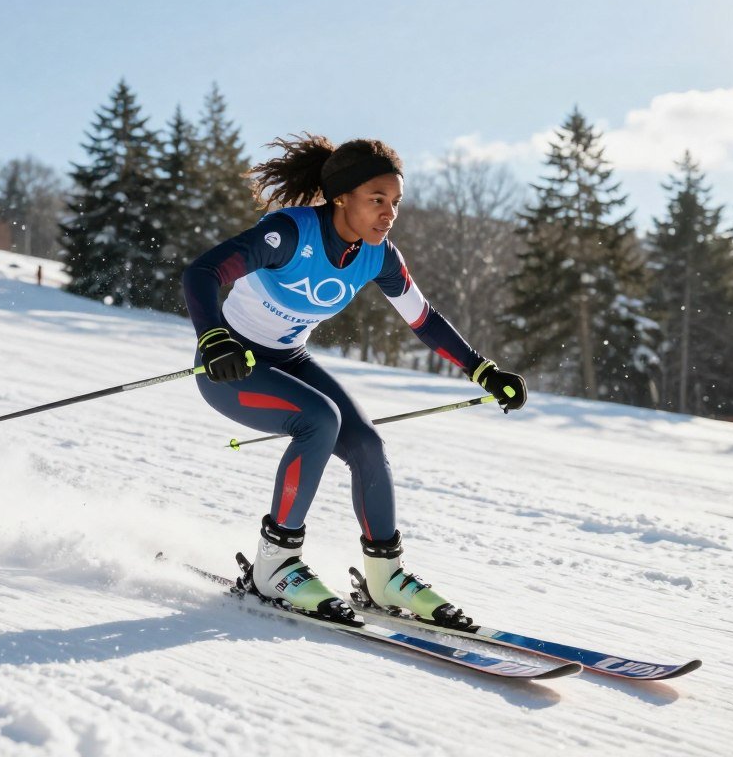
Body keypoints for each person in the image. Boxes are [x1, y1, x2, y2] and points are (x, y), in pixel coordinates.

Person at [182, 134, 527, 627]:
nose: (389, 213)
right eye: (377, 200)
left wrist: (484, 370)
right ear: (341, 197)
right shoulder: (288, 233)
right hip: (230, 364)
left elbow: (423, 319)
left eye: (395, 203)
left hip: (289, 359)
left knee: (366, 443)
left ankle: (384, 578)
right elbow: (203, 271)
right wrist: (214, 338)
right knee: (319, 419)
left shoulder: (378, 255)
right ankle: (274, 565)